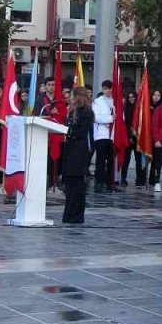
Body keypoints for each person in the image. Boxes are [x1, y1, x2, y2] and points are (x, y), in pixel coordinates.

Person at [61, 86, 95, 225]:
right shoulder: (72, 111)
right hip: (70, 148)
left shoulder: (86, 112)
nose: (70, 98)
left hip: (79, 150)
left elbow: (81, 132)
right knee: (69, 183)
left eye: (72, 96)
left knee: (76, 183)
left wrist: (68, 131)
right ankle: (69, 214)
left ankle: (76, 215)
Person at [92, 80, 117, 193]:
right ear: (102, 89)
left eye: (110, 88)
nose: (108, 91)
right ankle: (99, 182)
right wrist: (111, 119)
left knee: (111, 160)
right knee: (101, 160)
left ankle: (110, 183)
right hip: (100, 135)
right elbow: (96, 118)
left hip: (112, 135)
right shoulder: (97, 102)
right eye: (106, 88)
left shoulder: (115, 101)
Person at [120, 90, 145, 187]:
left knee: (139, 159)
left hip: (138, 138)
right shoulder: (125, 109)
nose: (131, 99)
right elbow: (124, 124)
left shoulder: (139, 109)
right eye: (129, 97)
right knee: (126, 159)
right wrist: (129, 136)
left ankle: (140, 180)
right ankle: (123, 178)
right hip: (127, 137)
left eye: (133, 97)